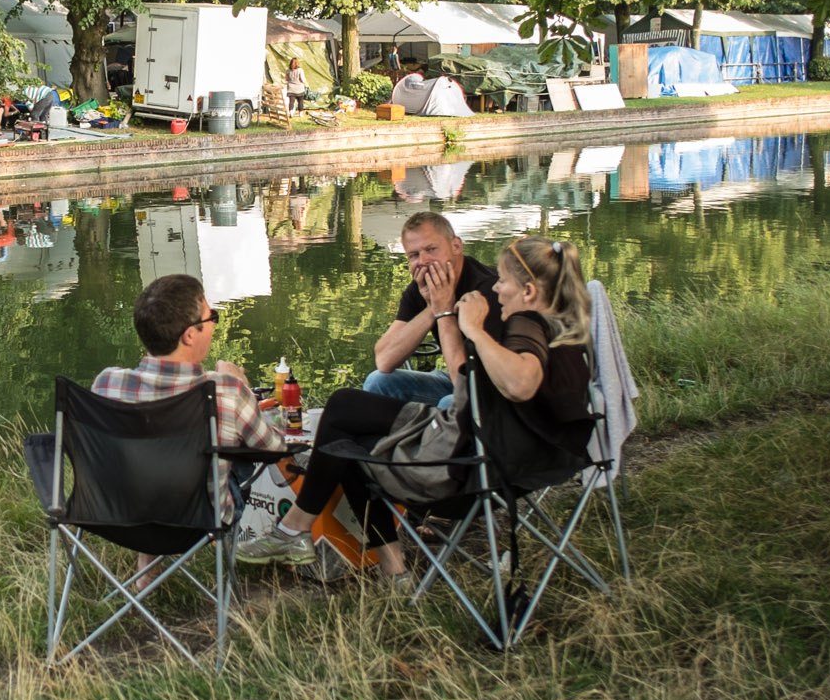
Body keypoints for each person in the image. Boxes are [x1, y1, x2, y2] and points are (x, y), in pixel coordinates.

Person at [238, 237, 596, 580]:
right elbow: (387, 362)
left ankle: (338, 547)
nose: (498, 288)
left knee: (344, 445)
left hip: (472, 471)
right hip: (523, 458)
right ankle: (305, 533)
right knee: (345, 410)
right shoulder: (566, 330)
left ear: (529, 292)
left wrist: (472, 328)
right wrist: (436, 310)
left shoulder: (526, 322)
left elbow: (518, 383)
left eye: (503, 281)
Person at [92, 274, 286, 583]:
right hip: (198, 521)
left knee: (150, 455)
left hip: (118, 518)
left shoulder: (107, 383)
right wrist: (242, 385)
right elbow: (273, 448)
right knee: (238, 455)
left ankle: (147, 565)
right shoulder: (224, 390)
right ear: (189, 336)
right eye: (212, 318)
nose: (213, 324)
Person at [364, 212, 503, 409]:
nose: (423, 261)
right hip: (461, 382)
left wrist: (445, 311)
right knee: (378, 381)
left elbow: (464, 380)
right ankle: (400, 439)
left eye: (431, 249)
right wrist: (432, 308)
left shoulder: (488, 290)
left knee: (449, 403)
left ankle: (430, 437)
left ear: (456, 246)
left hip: (497, 390)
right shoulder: (422, 287)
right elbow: (384, 360)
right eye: (414, 255)